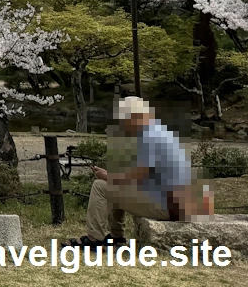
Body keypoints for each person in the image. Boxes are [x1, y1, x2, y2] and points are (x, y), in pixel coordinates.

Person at [70, 96, 200, 247]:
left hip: (170, 205)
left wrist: (108, 176)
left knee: (100, 186)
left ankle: (94, 239)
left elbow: (138, 175)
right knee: (113, 185)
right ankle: (116, 237)